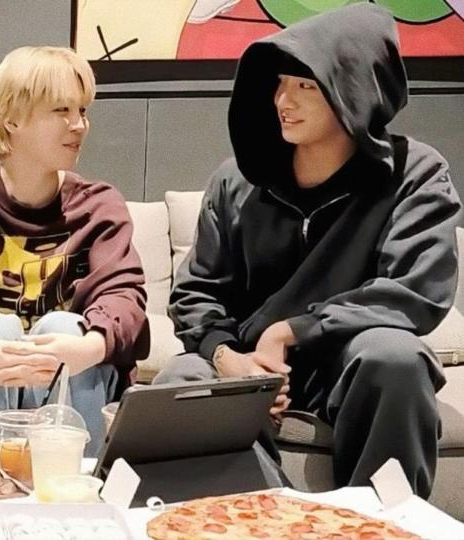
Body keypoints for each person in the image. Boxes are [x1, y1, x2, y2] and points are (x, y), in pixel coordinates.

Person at [154, 3, 462, 498]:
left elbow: (415, 292)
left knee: (395, 358)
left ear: (353, 89)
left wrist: (292, 330)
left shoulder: (415, 175)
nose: (283, 100)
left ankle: (380, 523)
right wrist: (227, 357)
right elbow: (197, 293)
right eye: (280, 83)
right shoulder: (236, 181)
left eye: (305, 86)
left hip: (351, 363)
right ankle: (260, 517)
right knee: (181, 379)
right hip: (250, 364)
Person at [0, 46, 149, 458]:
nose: (79, 125)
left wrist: (84, 350)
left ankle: (73, 485)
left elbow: (123, 298)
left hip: (75, 378)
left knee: (65, 326)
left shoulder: (99, 206)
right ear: (12, 119)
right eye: (61, 110)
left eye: (82, 110)